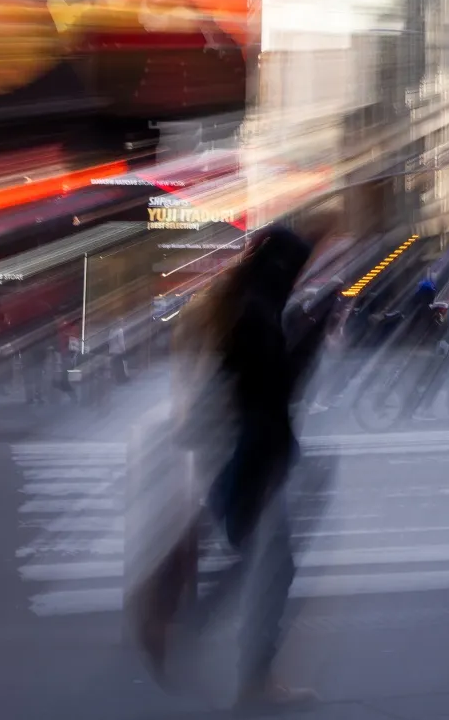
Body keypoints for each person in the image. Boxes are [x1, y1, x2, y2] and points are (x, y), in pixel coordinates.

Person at [138, 221, 331, 711]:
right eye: (299, 265)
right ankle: (240, 669)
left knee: (252, 557)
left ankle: (185, 625)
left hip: (237, 453)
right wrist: (312, 336)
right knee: (267, 562)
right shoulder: (256, 315)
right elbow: (274, 392)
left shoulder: (240, 305)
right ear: (283, 266)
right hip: (252, 458)